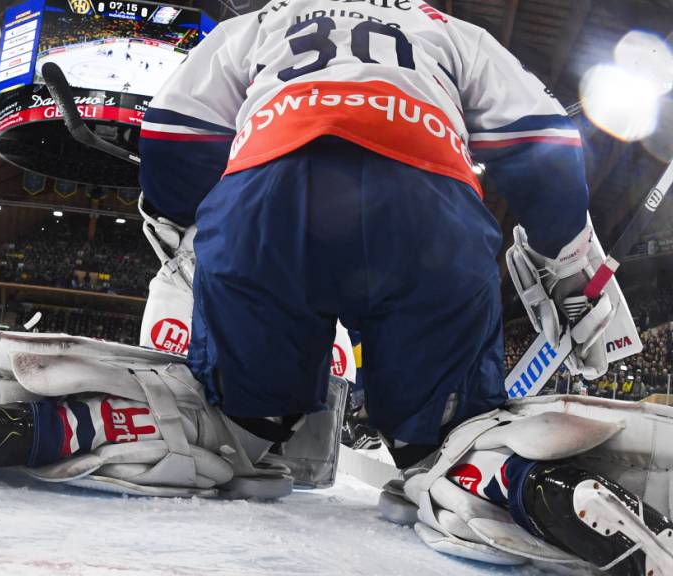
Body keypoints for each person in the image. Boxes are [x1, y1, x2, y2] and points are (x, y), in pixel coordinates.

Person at [133, 1, 669, 573]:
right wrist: (564, 252)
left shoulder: (262, 22)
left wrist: (194, 222)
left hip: (267, 196)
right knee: (443, 441)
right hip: (426, 208)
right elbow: (544, 142)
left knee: (232, 427)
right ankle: (503, 476)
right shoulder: (448, 29)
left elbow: (173, 133)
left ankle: (124, 426)